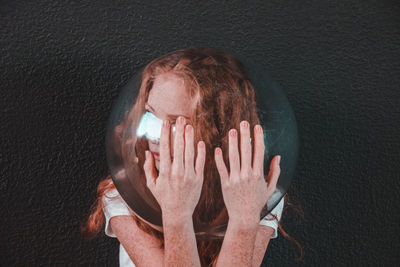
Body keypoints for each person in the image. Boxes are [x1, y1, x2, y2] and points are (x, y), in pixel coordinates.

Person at [82, 48, 303, 266]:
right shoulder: (126, 193)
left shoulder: (254, 190)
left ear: (217, 130)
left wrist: (244, 220)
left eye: (179, 122)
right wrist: (177, 214)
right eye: (151, 115)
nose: (156, 136)